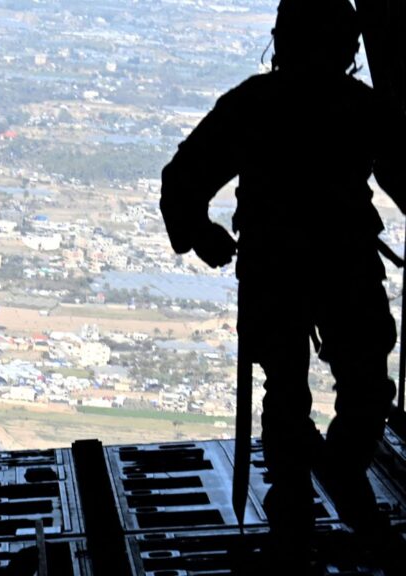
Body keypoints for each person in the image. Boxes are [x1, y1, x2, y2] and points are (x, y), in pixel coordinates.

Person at [159, 0, 405, 566]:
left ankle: (296, 510)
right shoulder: (359, 107)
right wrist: (201, 232)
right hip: (341, 264)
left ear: (281, 42)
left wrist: (204, 236)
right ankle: (332, 484)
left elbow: (183, 180)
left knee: (290, 394)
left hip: (278, 267)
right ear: (348, 50)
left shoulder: (255, 104)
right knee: (359, 389)